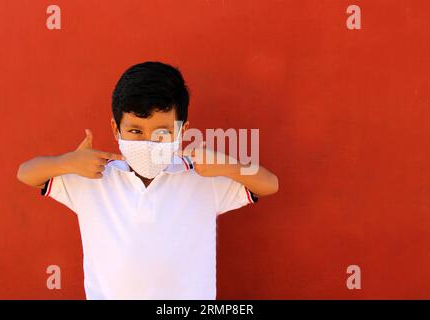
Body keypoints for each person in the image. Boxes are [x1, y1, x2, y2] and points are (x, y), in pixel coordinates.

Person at [17, 61, 279, 299]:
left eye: (162, 132)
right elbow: (26, 173)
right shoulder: (92, 176)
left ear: (182, 130)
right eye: (135, 130)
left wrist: (229, 166)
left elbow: (269, 185)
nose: (148, 142)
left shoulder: (201, 176)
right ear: (115, 128)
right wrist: (66, 162)